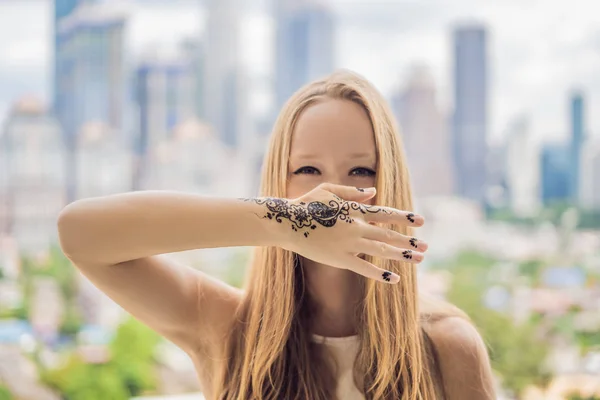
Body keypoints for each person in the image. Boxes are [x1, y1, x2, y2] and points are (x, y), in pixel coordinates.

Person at [57, 70, 495, 400]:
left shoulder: (446, 346)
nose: (331, 196)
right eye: (307, 171)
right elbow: (79, 233)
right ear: (277, 189)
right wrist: (290, 223)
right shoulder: (226, 328)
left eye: (361, 170)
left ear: (392, 186)